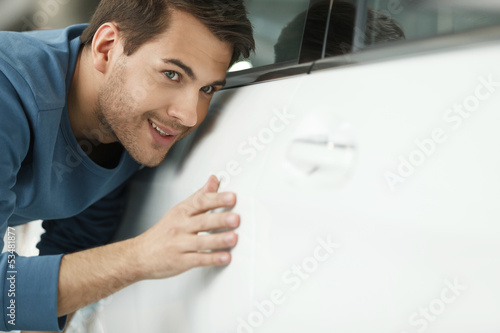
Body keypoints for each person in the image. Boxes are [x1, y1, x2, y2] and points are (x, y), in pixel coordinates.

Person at [0, 0, 255, 331]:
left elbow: (73, 243)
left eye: (207, 89)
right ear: (107, 49)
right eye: (172, 74)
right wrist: (142, 256)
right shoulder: (10, 91)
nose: (189, 115)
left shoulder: (125, 123)